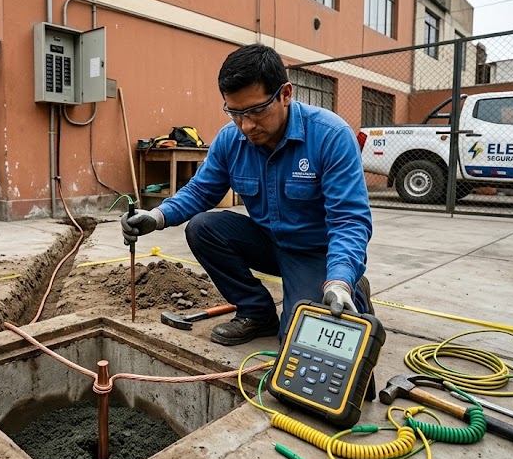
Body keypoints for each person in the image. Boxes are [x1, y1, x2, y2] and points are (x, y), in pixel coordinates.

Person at [121, 43, 372, 346]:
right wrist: (158, 216)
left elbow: (349, 220)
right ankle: (257, 313)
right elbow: (201, 190)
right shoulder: (231, 139)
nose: (247, 125)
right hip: (267, 242)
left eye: (256, 110)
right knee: (204, 228)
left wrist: (339, 279)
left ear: (285, 94)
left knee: (301, 342)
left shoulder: (330, 136)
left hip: (314, 252)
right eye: (235, 113)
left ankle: (345, 283)